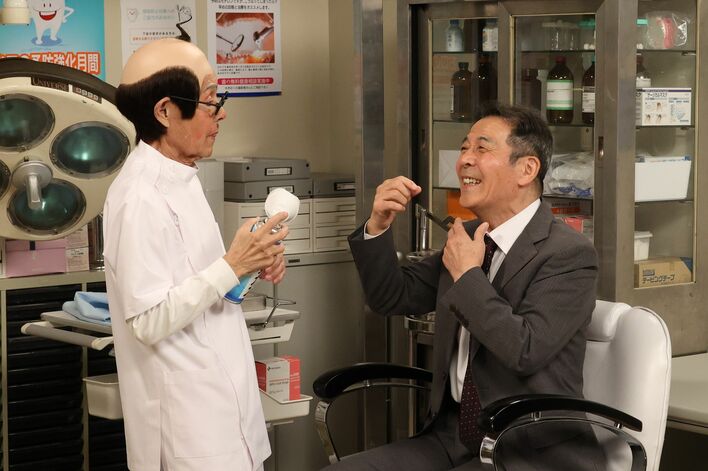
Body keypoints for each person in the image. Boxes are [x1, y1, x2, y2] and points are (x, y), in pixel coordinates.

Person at [330, 104, 603, 470]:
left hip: (527, 452)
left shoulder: (569, 253)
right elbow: (391, 296)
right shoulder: (471, 236)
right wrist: (378, 225)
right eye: (463, 148)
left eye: (481, 148)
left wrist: (467, 275)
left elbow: (524, 350)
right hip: (453, 438)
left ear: (527, 169)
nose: (464, 161)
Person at [103, 38, 288, 471]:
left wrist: (250, 265)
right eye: (209, 100)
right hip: (188, 428)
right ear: (165, 111)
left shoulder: (183, 176)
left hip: (225, 409)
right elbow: (148, 320)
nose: (221, 113)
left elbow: (204, 288)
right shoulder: (138, 197)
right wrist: (233, 264)